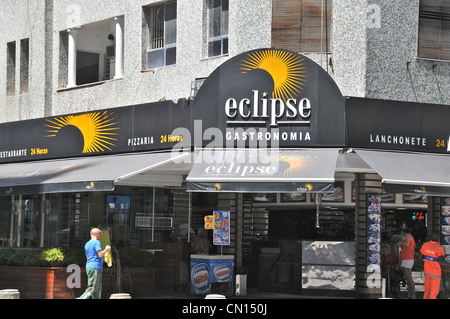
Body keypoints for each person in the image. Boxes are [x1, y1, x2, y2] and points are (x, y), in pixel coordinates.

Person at [78, 228, 111, 299]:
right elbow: (100, 254)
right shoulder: (97, 242)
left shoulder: (87, 244)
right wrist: (106, 249)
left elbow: (87, 257)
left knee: (97, 288)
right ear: (97, 234)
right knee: (93, 288)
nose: (101, 236)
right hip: (95, 267)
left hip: (90, 266)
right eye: (100, 234)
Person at [420, 230, 450, 299]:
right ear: (439, 237)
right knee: (434, 291)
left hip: (427, 272)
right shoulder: (438, 248)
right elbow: (441, 261)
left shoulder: (425, 245)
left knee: (427, 290)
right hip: (435, 273)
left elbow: (420, 257)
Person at [398, 227, 416, 298]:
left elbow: (407, 244)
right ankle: (409, 294)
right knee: (408, 278)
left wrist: (400, 243)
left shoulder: (408, 236)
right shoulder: (409, 236)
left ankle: (413, 295)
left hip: (408, 258)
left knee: (409, 278)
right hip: (406, 258)